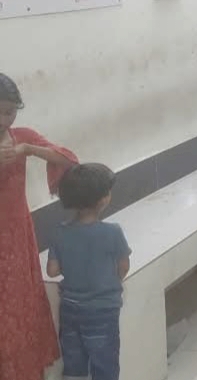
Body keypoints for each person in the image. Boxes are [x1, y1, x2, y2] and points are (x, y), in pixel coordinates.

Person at [0, 73, 77, 380]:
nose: (4, 120)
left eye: (10, 111)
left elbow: (67, 159)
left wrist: (28, 150)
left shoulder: (22, 137)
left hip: (17, 236)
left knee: (20, 304)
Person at [47, 163, 130, 380]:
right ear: (103, 199)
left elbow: (53, 270)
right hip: (102, 310)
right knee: (104, 362)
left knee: (74, 364)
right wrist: (110, 281)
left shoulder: (60, 232)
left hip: (70, 310)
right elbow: (123, 266)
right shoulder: (112, 232)